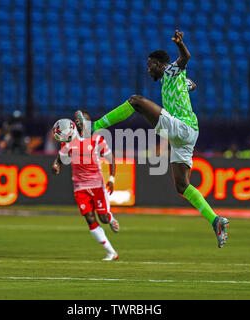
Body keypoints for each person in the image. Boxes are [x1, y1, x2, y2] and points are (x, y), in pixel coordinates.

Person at [75, 29, 229, 248]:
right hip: (187, 135)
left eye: (149, 66)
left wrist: (180, 45)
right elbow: (192, 84)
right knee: (182, 185)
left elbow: (185, 59)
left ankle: (93, 127)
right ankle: (216, 220)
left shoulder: (171, 71)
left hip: (182, 128)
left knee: (136, 100)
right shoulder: (175, 78)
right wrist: (189, 85)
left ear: (159, 64)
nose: (148, 71)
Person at [52, 111, 120, 261]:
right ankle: (110, 251)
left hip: (97, 184)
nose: (81, 122)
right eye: (79, 119)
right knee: (89, 218)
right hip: (79, 186)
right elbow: (61, 157)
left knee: (103, 218)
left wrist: (112, 178)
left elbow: (110, 158)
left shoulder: (96, 139)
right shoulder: (68, 140)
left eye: (84, 119)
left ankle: (110, 217)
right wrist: (57, 164)